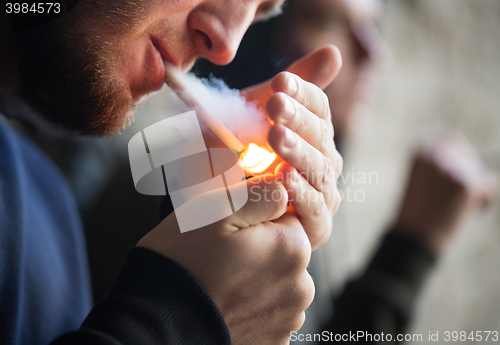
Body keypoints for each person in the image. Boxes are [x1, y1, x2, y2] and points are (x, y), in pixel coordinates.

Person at [0, 1, 346, 344]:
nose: (226, 46)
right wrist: (182, 320)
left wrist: (197, 227)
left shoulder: (47, 207)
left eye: (259, 11)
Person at [194, 0, 497, 342]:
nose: (374, 52)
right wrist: (409, 249)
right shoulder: (191, 203)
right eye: (333, 22)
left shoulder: (285, 194)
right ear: (257, 36)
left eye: (373, 27)